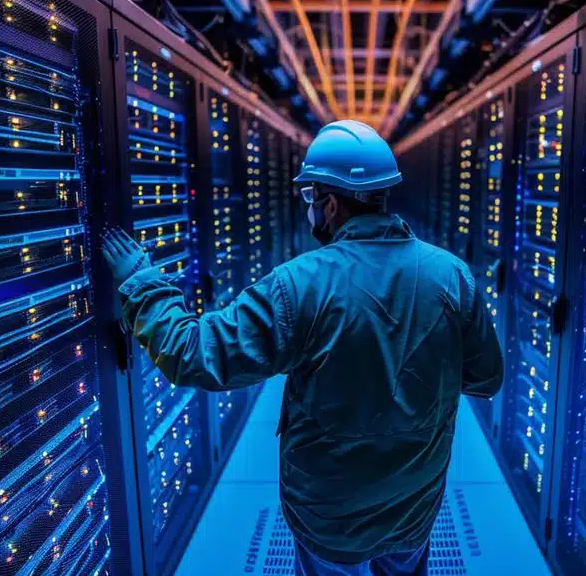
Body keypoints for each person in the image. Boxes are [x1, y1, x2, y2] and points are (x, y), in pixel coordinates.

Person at [102, 119, 504, 576]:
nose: (311, 210)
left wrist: (141, 282)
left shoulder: (299, 284)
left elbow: (192, 353)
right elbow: (486, 376)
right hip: (414, 504)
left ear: (330, 204)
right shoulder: (452, 275)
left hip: (328, 517)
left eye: (312, 199)